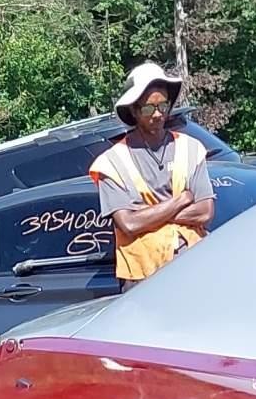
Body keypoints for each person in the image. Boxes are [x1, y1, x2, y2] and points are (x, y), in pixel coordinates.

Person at [89, 61, 214, 283]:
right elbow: (129, 224)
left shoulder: (191, 148)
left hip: (195, 268)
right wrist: (182, 200)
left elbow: (205, 212)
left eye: (163, 106)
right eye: (148, 108)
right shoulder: (111, 163)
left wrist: (148, 215)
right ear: (134, 111)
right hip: (143, 279)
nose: (157, 114)